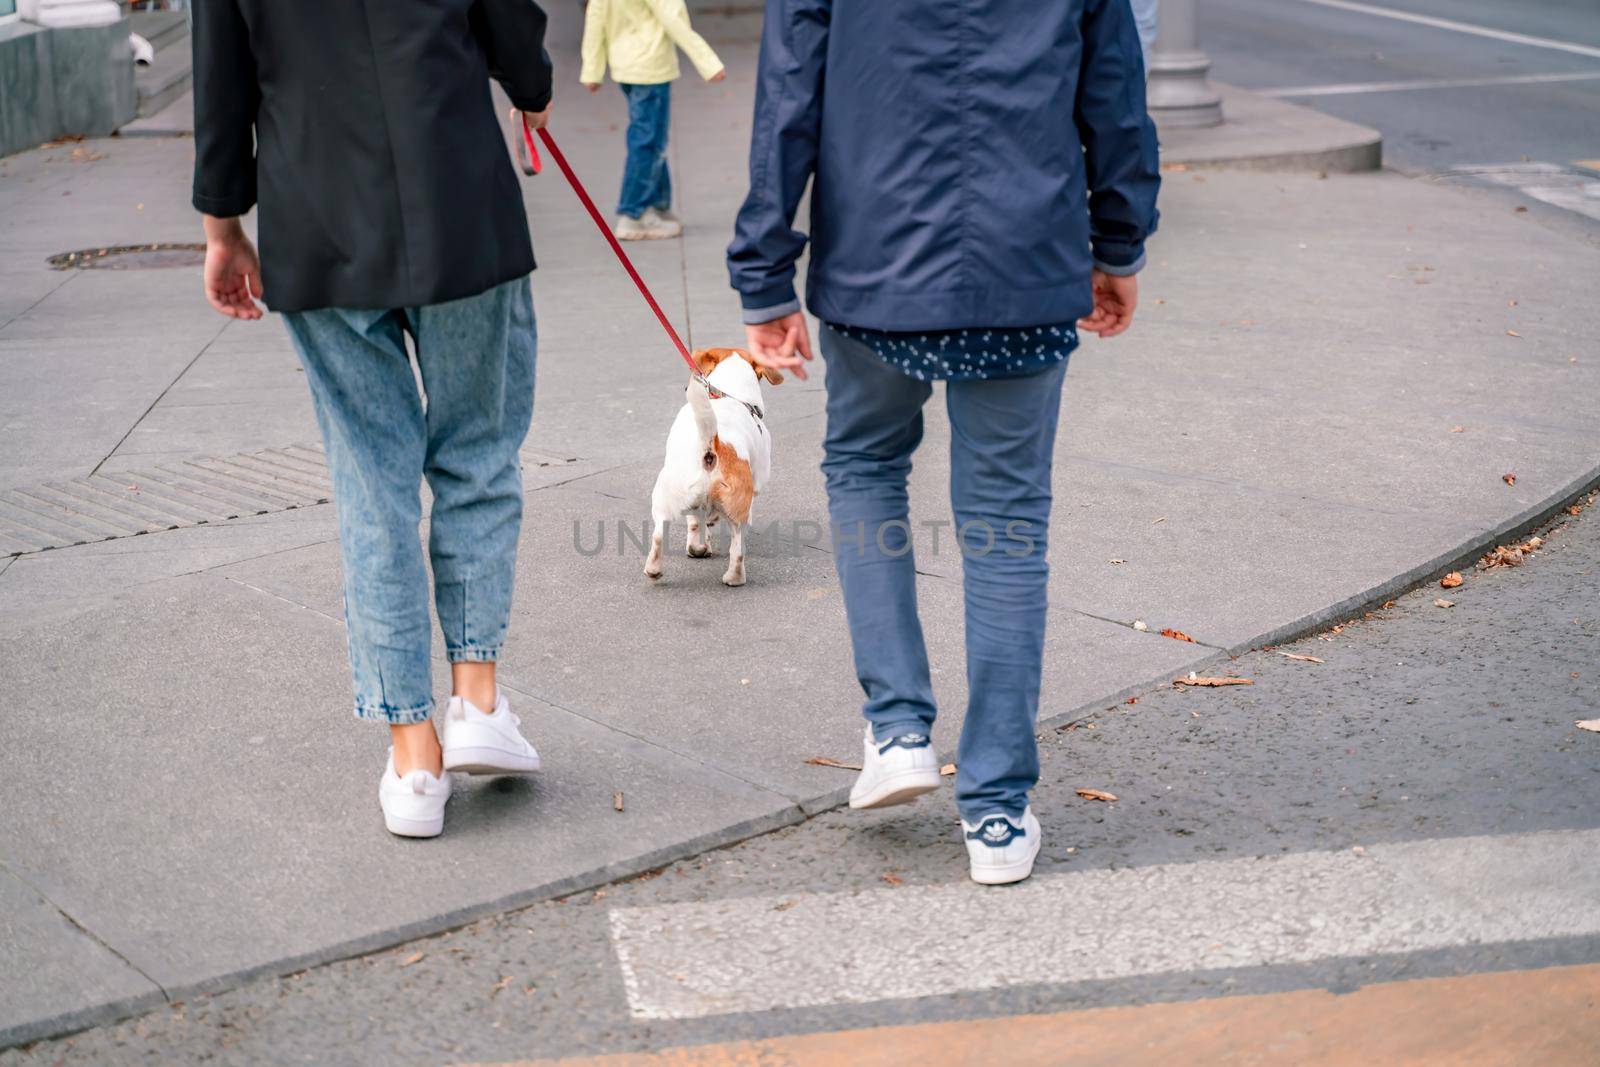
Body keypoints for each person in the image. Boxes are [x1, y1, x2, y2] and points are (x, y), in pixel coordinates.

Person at [728, 0, 1159, 885]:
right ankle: (997, 811)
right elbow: (1113, 92)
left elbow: (787, 98)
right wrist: (1117, 242)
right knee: (1006, 527)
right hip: (1025, 263)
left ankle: (896, 731)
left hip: (875, 259)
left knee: (865, 468)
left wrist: (766, 268)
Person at [191, 0, 554, 839]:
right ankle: (477, 700)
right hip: (456, 192)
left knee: (372, 480)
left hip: (315, 215)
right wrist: (530, 83)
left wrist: (224, 226)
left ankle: (414, 757)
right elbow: (506, 14)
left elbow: (220, 80)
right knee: (479, 448)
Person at [580, 0, 726, 241]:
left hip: (625, 66)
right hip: (650, 67)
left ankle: (658, 206)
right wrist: (708, 63)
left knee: (651, 138)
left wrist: (592, 70)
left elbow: (595, 17)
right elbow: (672, 18)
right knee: (648, 142)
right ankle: (634, 214)